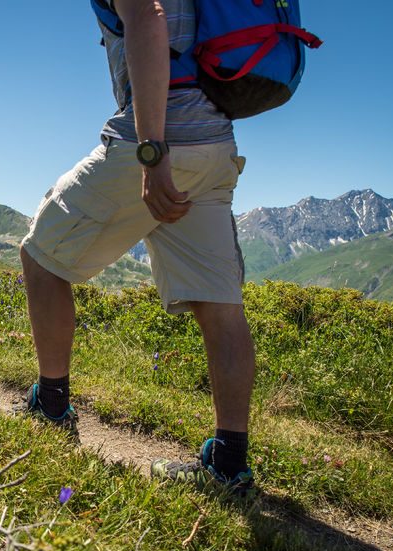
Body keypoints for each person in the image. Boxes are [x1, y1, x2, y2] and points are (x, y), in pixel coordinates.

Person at [19, 0, 256, 494]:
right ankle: (229, 464)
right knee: (220, 305)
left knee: (42, 256)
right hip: (215, 147)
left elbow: (148, 19)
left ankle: (52, 406)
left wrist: (152, 153)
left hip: (152, 146)